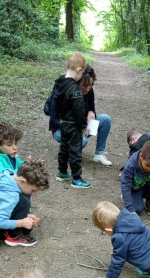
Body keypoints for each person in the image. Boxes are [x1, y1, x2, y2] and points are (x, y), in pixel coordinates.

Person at [0, 159, 49, 249]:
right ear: (22, 181)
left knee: (22, 200)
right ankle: (13, 237)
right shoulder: (10, 195)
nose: (33, 193)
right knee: (24, 203)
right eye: (33, 190)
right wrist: (21, 223)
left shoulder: (9, 175)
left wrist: (26, 215)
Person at [51, 65, 112, 167]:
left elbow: (91, 109)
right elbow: (53, 120)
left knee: (106, 119)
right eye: (85, 85)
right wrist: (75, 129)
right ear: (77, 82)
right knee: (83, 141)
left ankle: (99, 154)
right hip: (61, 129)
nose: (88, 89)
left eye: (90, 85)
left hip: (81, 127)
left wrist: (91, 113)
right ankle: (68, 150)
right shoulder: (63, 91)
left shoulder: (89, 90)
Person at [53, 51, 91, 189]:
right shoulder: (75, 89)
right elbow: (79, 111)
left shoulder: (59, 83)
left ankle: (62, 172)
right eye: (82, 73)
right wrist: (83, 127)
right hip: (73, 125)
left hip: (63, 122)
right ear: (79, 70)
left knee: (64, 148)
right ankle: (77, 178)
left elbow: (55, 104)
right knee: (75, 151)